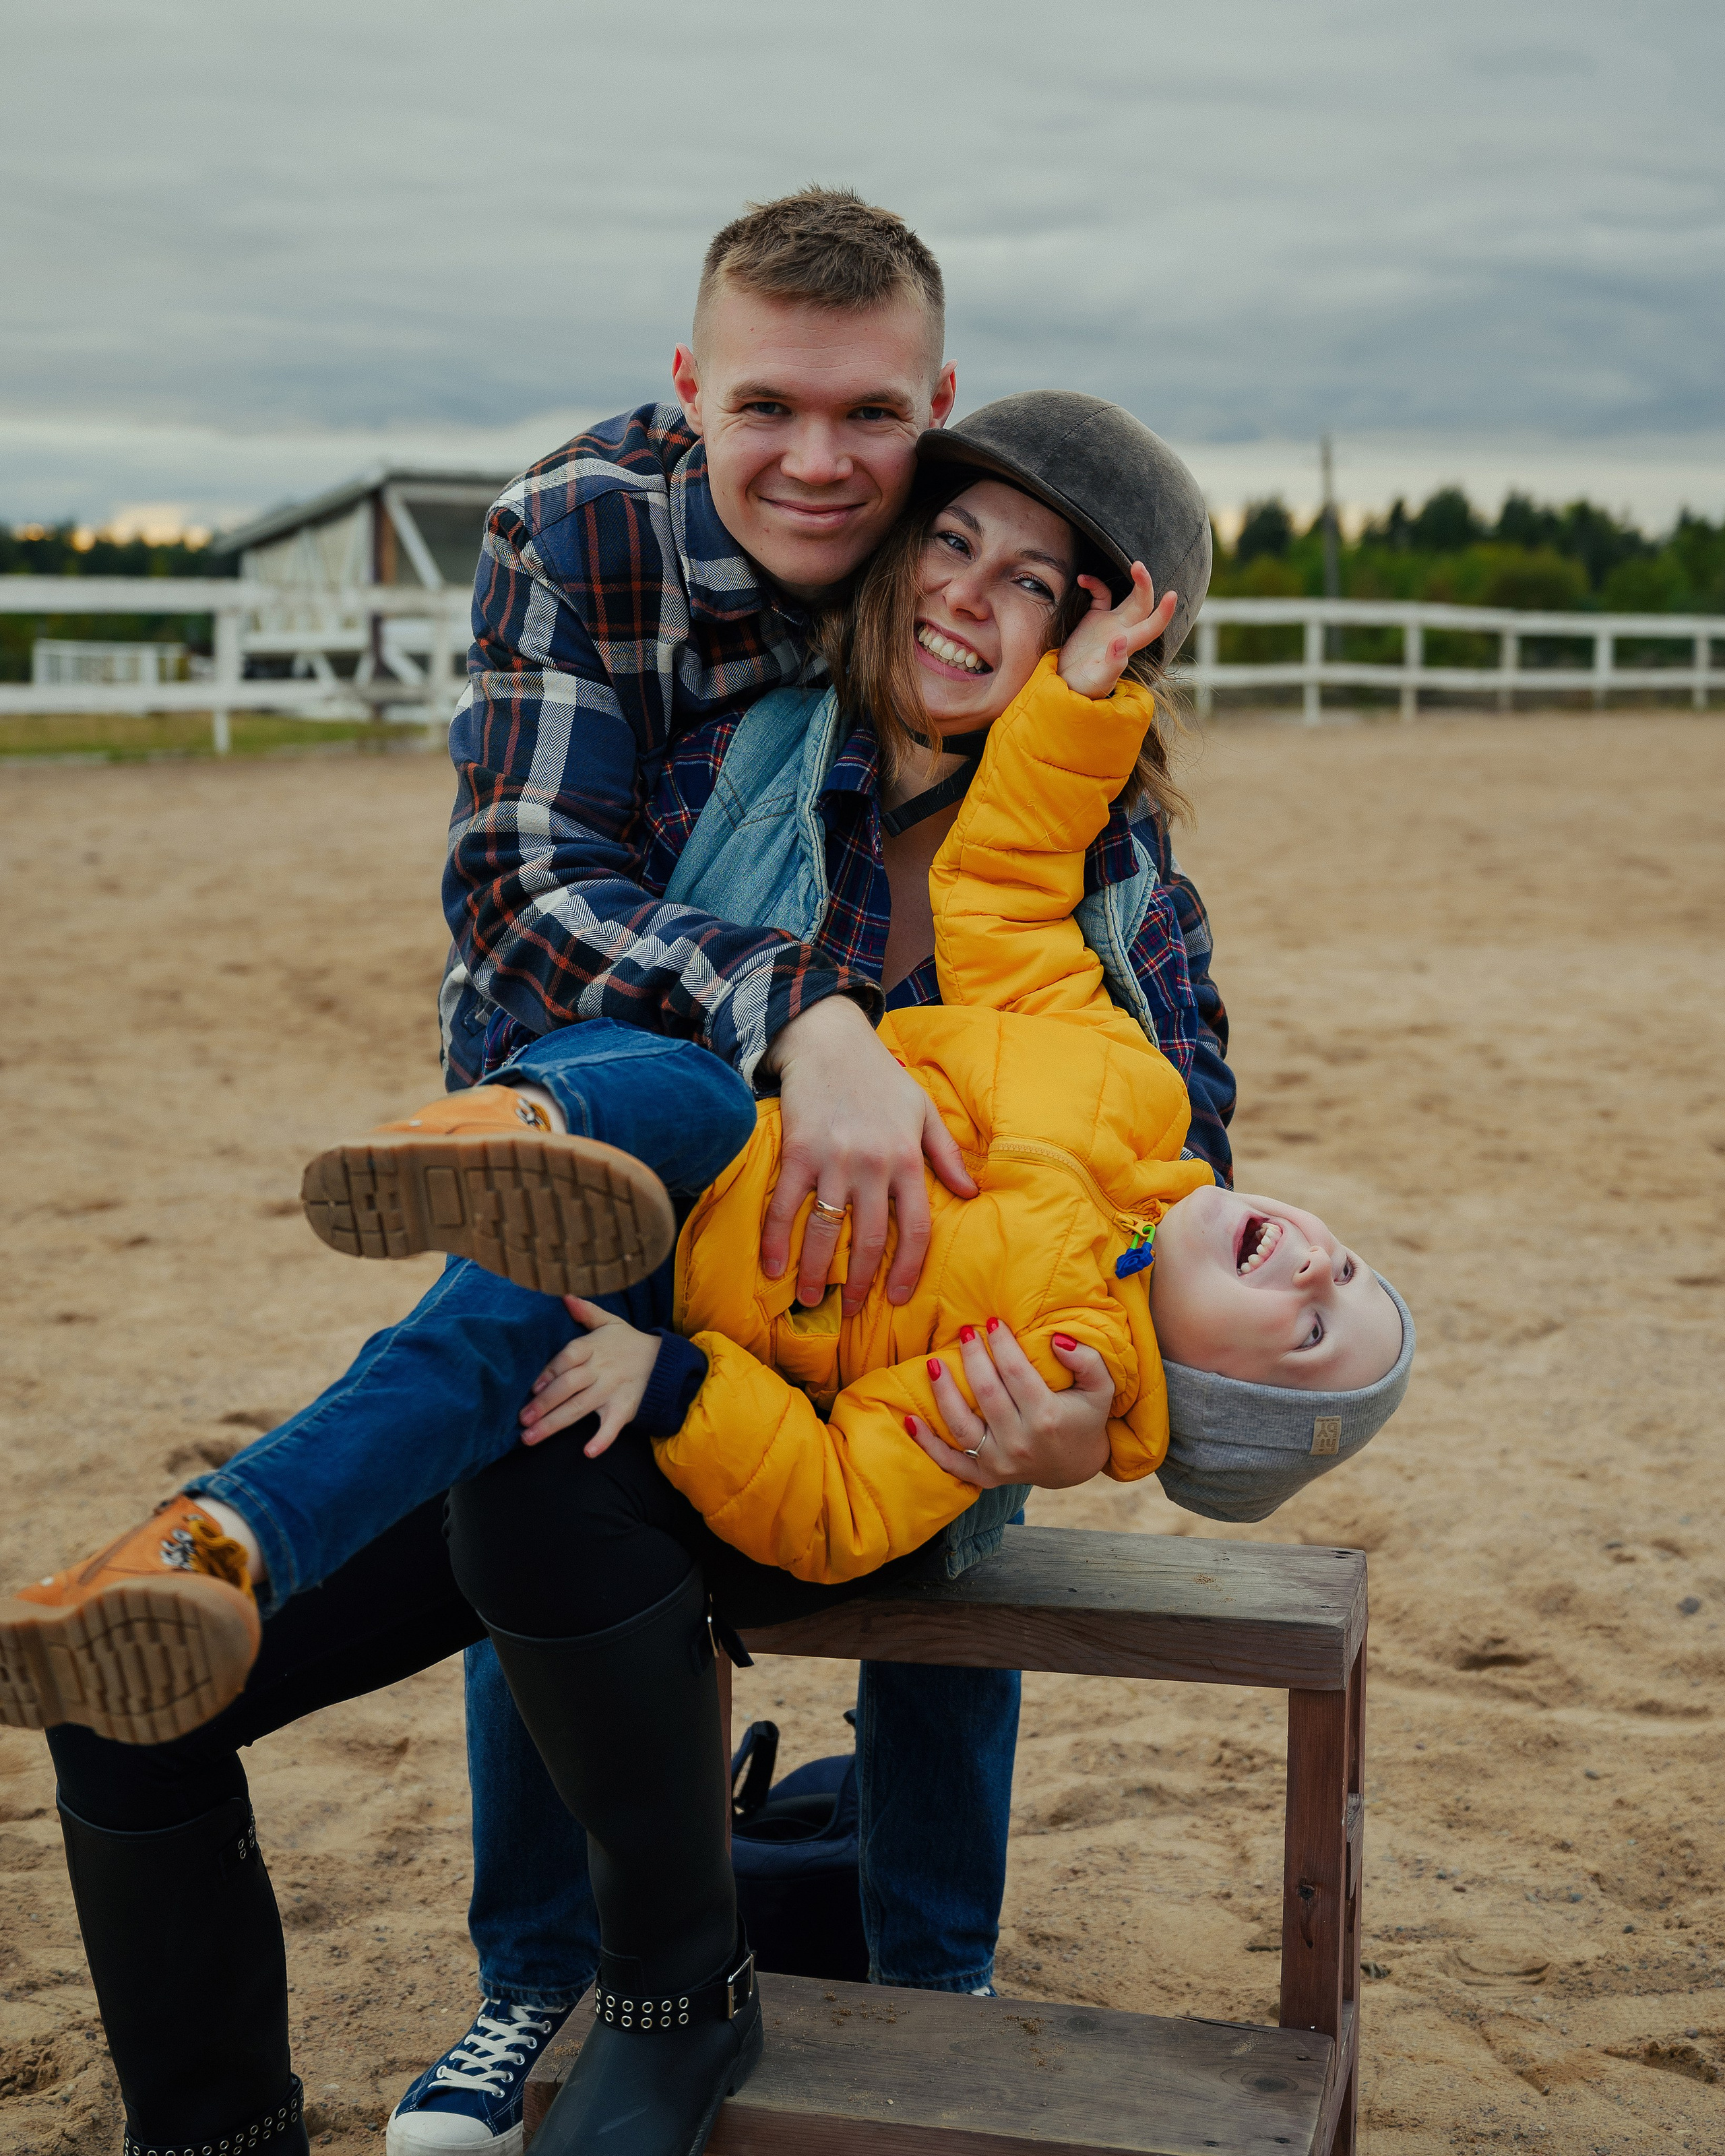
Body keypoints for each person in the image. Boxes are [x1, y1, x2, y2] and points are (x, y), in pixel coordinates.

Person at [5, 402, 1407, 2156]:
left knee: (596, 1450)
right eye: (950, 544)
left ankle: (879, 1975)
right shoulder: (749, 762)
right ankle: (286, 1997)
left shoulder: (1109, 910)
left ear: (1095, 634)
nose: (969, 599)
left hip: (853, 1415)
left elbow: (1178, 1159)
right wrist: (806, 1032)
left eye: (1033, 584)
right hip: (665, 1284)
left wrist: (1109, 1407)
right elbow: (566, 953)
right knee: (551, 1261)